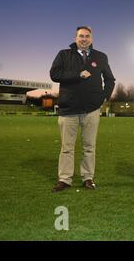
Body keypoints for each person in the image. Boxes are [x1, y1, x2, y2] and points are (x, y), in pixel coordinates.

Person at [50, 26, 115, 192]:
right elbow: (54, 74)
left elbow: (110, 80)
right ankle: (65, 179)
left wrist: (102, 97)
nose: (84, 39)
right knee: (66, 147)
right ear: (75, 38)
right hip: (68, 108)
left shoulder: (100, 57)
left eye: (87, 36)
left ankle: (88, 178)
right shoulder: (64, 54)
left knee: (89, 147)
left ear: (91, 38)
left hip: (91, 109)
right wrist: (77, 74)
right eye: (81, 36)